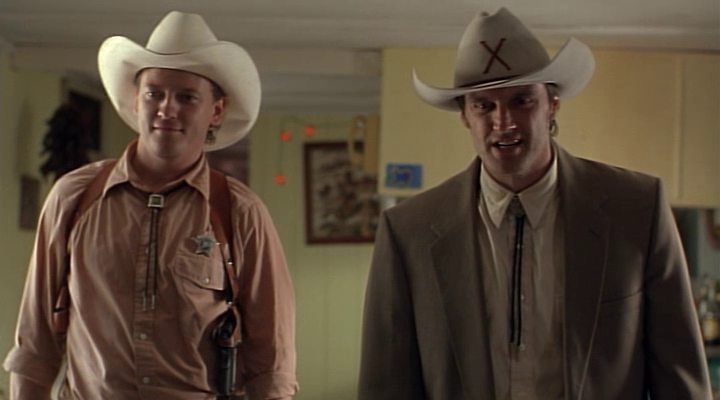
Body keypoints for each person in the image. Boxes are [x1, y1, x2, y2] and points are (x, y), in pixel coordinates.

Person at [358, 7, 712, 400]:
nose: (503, 122)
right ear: (465, 116)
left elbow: (681, 376)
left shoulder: (636, 209)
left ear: (552, 104)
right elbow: (385, 384)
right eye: (484, 105)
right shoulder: (409, 231)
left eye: (521, 100)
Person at [4, 11, 298, 400]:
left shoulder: (240, 212)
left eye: (186, 97)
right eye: (154, 93)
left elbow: (271, 365)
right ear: (136, 100)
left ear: (216, 111)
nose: (166, 109)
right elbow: (34, 346)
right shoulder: (74, 197)